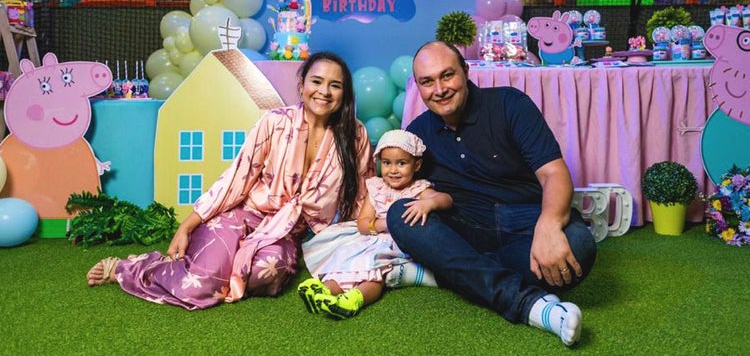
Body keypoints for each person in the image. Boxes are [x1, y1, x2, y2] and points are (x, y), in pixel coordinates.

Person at [86, 52, 375, 310]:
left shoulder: (355, 135)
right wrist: (186, 226)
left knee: (267, 273)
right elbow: (237, 177)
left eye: (334, 85)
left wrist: (367, 242)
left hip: (285, 232)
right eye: (317, 81)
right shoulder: (274, 122)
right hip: (243, 214)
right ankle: (133, 267)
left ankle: (218, 266)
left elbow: (364, 194)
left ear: (344, 94)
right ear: (302, 86)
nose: (324, 91)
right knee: (200, 284)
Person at [387, 41, 596, 346]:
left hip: (526, 222)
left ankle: (447, 272)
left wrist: (549, 224)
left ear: (466, 71)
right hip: (466, 224)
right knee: (400, 215)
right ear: (417, 87)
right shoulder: (417, 132)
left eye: (447, 76)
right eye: (427, 82)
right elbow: (398, 184)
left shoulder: (510, 104)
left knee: (580, 246)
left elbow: (553, 173)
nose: (440, 89)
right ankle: (532, 306)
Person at [297, 129, 453, 319]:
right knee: (346, 260)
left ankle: (355, 299)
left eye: (401, 163)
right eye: (387, 163)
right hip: (372, 238)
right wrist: (382, 224)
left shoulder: (418, 189)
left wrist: (429, 203)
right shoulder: (377, 187)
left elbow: (446, 199)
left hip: (397, 244)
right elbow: (363, 224)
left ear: (417, 164)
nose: (393, 170)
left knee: (374, 271)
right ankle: (325, 291)